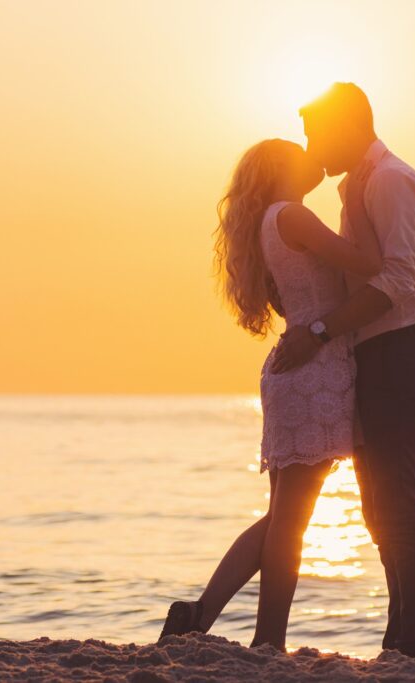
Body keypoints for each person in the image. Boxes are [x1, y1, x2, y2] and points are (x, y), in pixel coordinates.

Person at [157, 136, 382, 652]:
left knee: (282, 513)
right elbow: (369, 264)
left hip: (295, 367)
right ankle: (267, 639)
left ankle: (198, 613)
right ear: (282, 170)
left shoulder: (268, 223)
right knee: (292, 517)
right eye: (301, 153)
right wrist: (358, 201)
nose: (313, 156)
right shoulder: (293, 217)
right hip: (315, 369)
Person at [271, 82, 415, 657]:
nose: (311, 145)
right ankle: (402, 642)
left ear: (348, 125)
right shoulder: (356, 187)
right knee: (377, 506)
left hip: (402, 351)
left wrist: (320, 331)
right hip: (376, 356)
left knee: (400, 502)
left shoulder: (391, 180)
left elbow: (394, 282)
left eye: (316, 131)